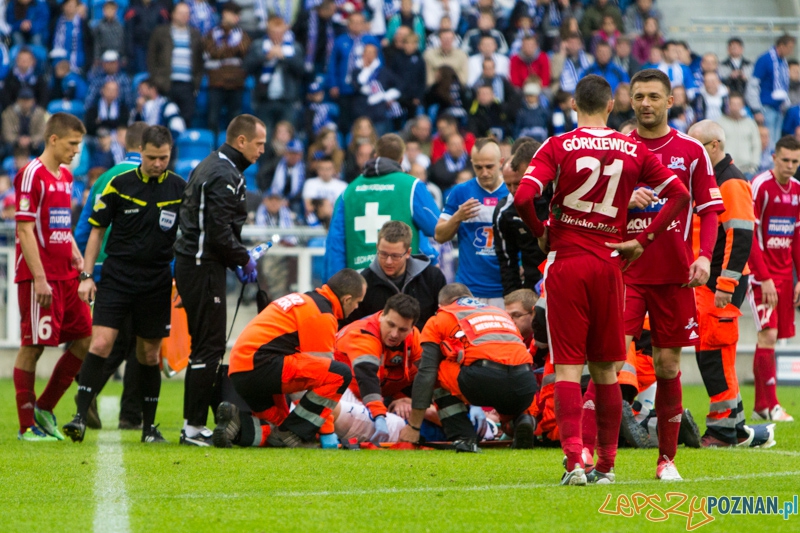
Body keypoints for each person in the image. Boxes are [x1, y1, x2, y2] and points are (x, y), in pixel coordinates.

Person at [513, 74, 691, 485]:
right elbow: (679, 194)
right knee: (607, 370)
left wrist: (541, 229)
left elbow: (524, 197)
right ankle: (607, 468)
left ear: (574, 104)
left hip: (568, 262)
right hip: (611, 263)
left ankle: (576, 461)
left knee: (569, 370)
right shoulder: (632, 147)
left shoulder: (557, 145)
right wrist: (642, 240)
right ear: (613, 106)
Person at [621, 68, 725, 480]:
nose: (645, 103)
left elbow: (710, 210)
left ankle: (666, 460)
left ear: (669, 102)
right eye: (639, 96)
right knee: (608, 359)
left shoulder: (691, 150)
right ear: (630, 101)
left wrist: (703, 257)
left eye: (653, 96)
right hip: (625, 271)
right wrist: (626, 198)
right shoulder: (619, 149)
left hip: (674, 275)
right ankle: (596, 457)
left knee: (667, 364)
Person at [63, 125, 186, 444]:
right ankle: (78, 417)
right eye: (152, 158)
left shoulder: (179, 188)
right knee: (101, 342)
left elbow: (190, 238)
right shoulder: (119, 184)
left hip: (157, 280)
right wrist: (86, 277)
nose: (158, 164)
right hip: (118, 276)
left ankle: (148, 427)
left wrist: (183, 282)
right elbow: (96, 231)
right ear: (139, 152)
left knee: (148, 354)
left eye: (164, 158)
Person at [173, 114, 267, 446]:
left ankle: (196, 424)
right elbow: (217, 233)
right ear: (241, 141)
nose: (262, 150)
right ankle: (193, 428)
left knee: (207, 346)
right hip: (201, 266)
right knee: (209, 347)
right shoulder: (222, 173)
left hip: (197, 266)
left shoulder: (216, 166)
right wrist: (243, 258)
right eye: (259, 144)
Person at [211, 269, 366, 448]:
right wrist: (327, 432)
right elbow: (316, 379)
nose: (357, 308)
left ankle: (237, 424)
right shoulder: (321, 314)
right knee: (339, 373)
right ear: (347, 299)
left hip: (240, 371)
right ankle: (291, 434)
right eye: (357, 302)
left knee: (278, 429)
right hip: (263, 365)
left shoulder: (304, 301)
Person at [13, 113, 93, 441]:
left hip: (66, 276)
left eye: (80, 144)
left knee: (85, 337)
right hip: (40, 279)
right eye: (73, 144)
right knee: (33, 346)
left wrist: (74, 251)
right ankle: (26, 425)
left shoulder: (66, 177)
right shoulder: (31, 175)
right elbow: (25, 229)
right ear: (54, 139)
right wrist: (40, 278)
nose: (77, 150)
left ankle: (44, 407)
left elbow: (59, 225)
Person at [687, 120, 762, 447]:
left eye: (697, 146)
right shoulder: (714, 179)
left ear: (714, 146)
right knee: (716, 354)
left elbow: (741, 237)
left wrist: (725, 285)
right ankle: (735, 424)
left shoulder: (731, 182)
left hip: (721, 282)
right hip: (712, 280)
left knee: (713, 355)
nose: (691, 153)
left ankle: (721, 430)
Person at [73, 121, 150, 431]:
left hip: (103, 269)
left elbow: (83, 230)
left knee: (123, 339)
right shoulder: (149, 179)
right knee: (130, 342)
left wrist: (84, 272)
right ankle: (92, 389)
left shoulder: (105, 176)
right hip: (135, 270)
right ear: (147, 147)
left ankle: (126, 411)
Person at [397, 283, 537, 451]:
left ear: (442, 306)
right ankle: (523, 419)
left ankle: (463, 435)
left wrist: (414, 427)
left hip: (482, 380)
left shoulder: (440, 318)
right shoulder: (500, 313)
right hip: (526, 383)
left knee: (436, 369)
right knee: (513, 369)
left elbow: (426, 373)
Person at [325, 133, 441, 276]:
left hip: (359, 283)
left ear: (375, 155)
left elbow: (335, 245)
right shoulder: (411, 186)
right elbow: (437, 227)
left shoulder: (349, 191)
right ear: (402, 159)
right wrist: (432, 258)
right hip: (401, 279)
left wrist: (333, 287)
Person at [747, 134, 800, 423]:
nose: (790, 166)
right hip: (761, 275)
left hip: (785, 276)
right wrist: (764, 277)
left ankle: (760, 406)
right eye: (786, 160)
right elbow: (752, 236)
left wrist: (799, 277)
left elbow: (797, 236)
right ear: (774, 158)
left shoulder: (797, 190)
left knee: (773, 337)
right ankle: (774, 404)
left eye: (795, 161)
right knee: (767, 334)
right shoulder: (760, 186)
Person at [334, 293, 421, 443]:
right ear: (381, 316)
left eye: (402, 330)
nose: (394, 334)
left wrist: (403, 399)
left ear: (411, 328)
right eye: (391, 325)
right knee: (399, 427)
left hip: (361, 398)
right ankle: (321, 422)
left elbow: (429, 376)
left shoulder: (413, 338)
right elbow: (367, 378)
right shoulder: (363, 334)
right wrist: (379, 416)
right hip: (337, 392)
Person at [435, 138, 507, 306]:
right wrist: (458, 217)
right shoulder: (460, 192)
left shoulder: (512, 191)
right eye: (478, 167)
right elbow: (439, 235)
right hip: (469, 287)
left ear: (501, 162)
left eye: (489, 167)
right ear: (471, 163)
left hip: (505, 287)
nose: (484, 173)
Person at [345, 221, 446, 330]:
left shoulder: (432, 278)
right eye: (383, 254)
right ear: (377, 247)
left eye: (395, 256)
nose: (388, 261)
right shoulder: (364, 284)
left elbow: (445, 319)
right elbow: (350, 327)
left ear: (408, 253)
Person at [493, 139, 543, 295]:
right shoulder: (505, 212)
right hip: (532, 285)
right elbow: (507, 261)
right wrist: (513, 297)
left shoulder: (557, 197)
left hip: (562, 276)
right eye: (508, 185)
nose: (514, 190)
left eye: (518, 183)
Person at [247, 15, 304, 139]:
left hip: (287, 100)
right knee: (263, 137)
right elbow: (247, 67)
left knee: (286, 137)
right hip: (264, 99)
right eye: (274, 33)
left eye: (280, 33)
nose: (277, 36)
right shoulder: (258, 46)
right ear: (268, 31)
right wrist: (265, 57)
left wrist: (284, 57)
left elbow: (301, 70)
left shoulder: (294, 47)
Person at [147, 2, 204, 125]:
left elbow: (200, 62)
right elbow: (151, 59)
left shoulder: (195, 34)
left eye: (187, 13)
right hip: (166, 84)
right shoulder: (160, 32)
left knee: (186, 120)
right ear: (173, 14)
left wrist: (196, 83)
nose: (184, 16)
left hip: (188, 86)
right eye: (181, 13)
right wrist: (157, 81)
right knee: (165, 121)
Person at [326, 12, 381, 133]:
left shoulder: (371, 40)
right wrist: (333, 84)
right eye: (353, 22)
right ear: (348, 24)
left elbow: (379, 64)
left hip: (364, 90)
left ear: (364, 24)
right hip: (344, 88)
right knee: (344, 122)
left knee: (361, 121)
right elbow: (332, 64)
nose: (356, 25)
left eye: (359, 22)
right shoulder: (340, 41)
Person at [204, 2, 250, 137]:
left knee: (235, 121)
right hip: (216, 83)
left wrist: (222, 53)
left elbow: (244, 50)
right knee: (212, 118)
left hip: (236, 84)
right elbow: (210, 51)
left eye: (238, 15)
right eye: (234, 14)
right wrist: (231, 52)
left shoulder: (243, 34)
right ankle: (212, 149)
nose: (237, 17)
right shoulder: (212, 33)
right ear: (224, 14)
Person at [748, 34, 796, 148]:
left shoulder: (782, 62)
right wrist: (756, 109)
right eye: (789, 47)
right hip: (766, 107)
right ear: (781, 46)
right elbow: (753, 84)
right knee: (767, 141)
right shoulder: (765, 59)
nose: (791, 51)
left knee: (776, 141)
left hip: (778, 108)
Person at [717, 92, 761, 177]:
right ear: (728, 105)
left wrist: (754, 165)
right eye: (733, 104)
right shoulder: (720, 122)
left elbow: (756, 145)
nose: (735, 107)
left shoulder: (750, 123)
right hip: (727, 168)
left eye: (738, 104)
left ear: (742, 105)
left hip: (747, 170)